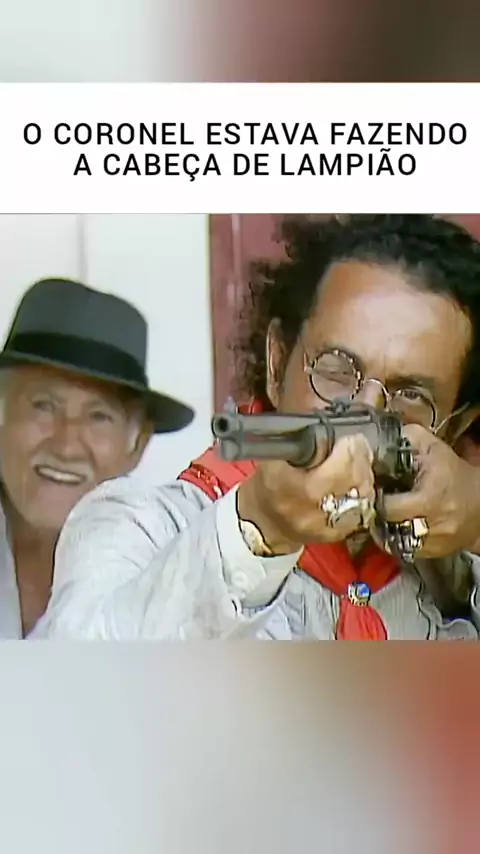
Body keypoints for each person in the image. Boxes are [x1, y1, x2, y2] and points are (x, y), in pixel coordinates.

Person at [35, 215, 480, 640]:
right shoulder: (144, 525)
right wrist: (260, 526)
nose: (362, 412)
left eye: (410, 396)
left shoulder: (455, 560)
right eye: (336, 370)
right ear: (276, 363)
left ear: (456, 424)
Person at [0, 277, 194, 637]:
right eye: (43, 405)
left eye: (99, 416)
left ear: (137, 444)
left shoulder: (169, 579)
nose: (66, 445)